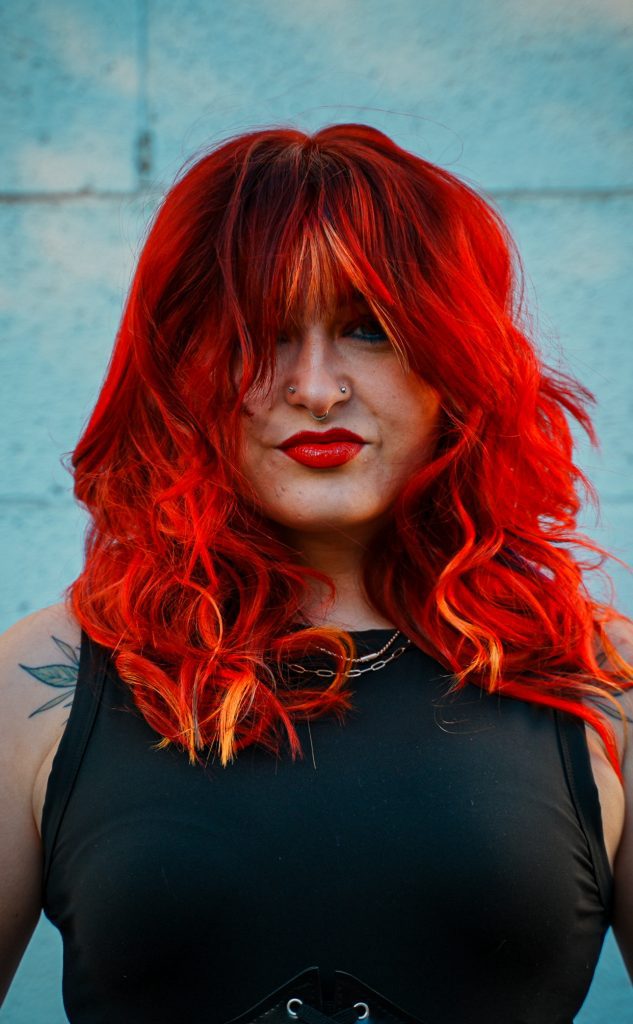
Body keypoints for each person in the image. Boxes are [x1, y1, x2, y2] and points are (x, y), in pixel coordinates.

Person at [0, 123, 631, 1024]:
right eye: (258, 335)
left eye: (368, 329)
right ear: (180, 369)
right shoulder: (37, 682)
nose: (316, 387)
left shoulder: (602, 681)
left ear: (454, 362)